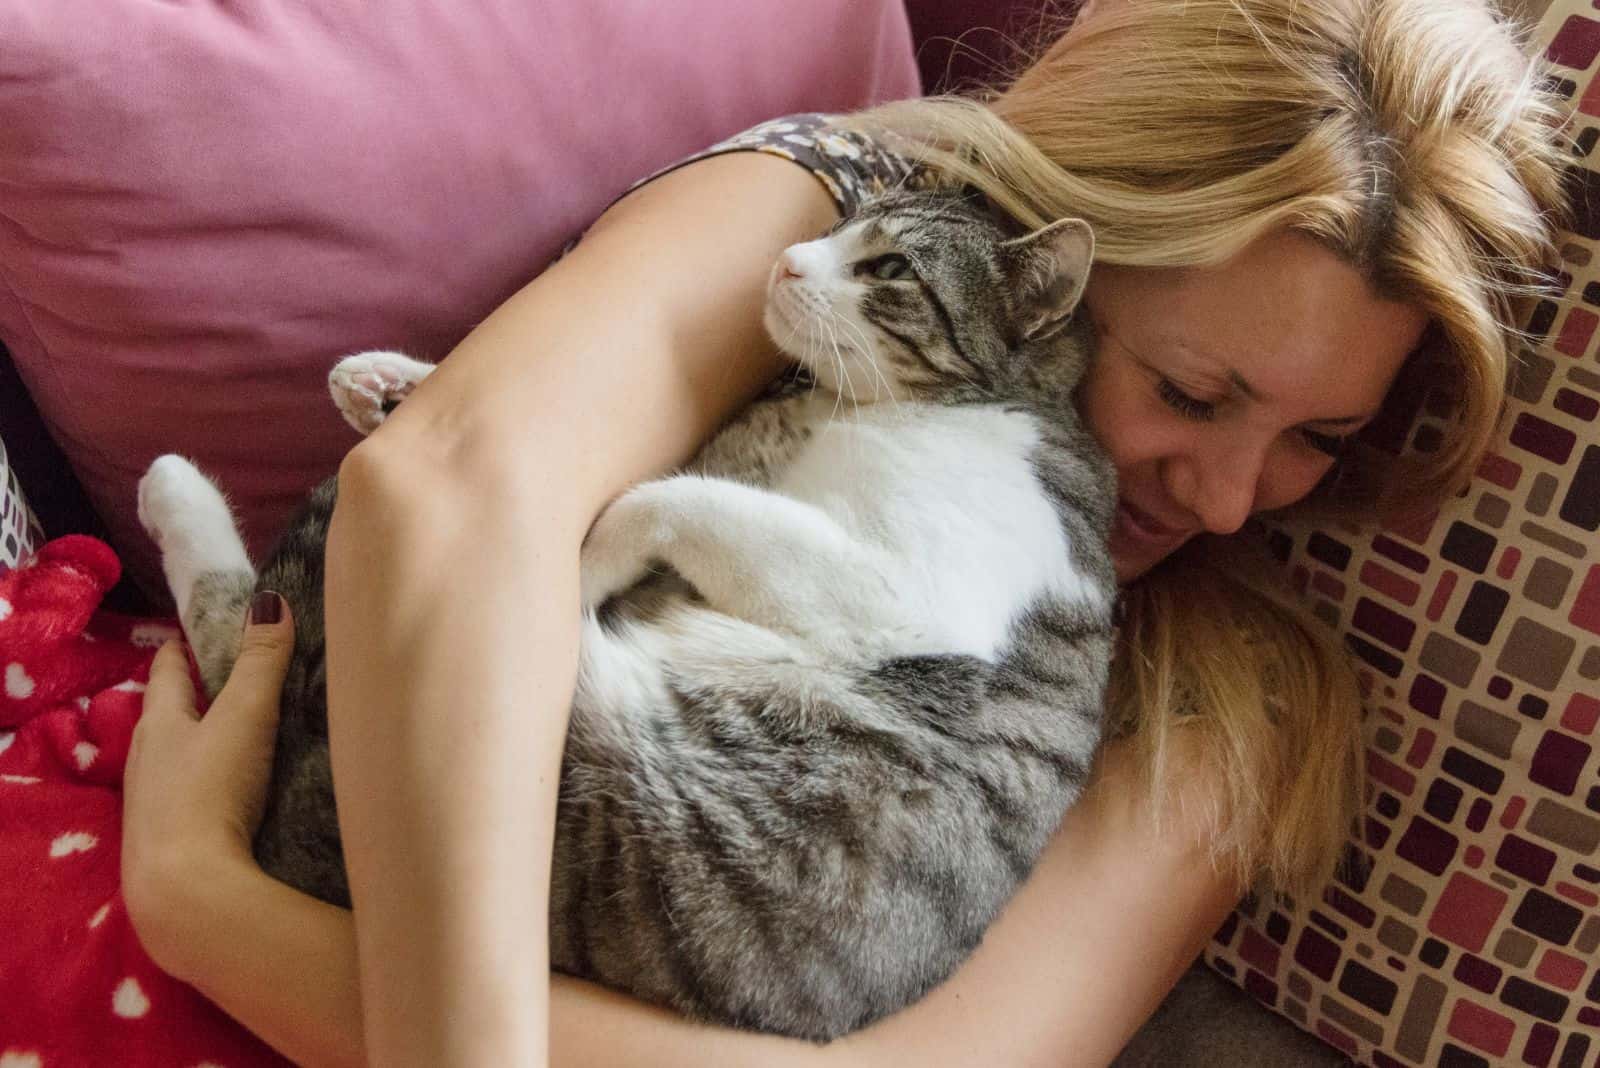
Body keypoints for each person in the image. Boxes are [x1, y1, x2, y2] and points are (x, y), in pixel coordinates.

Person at [119, 0, 1567, 1064]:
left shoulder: (1231, 710)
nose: (1231, 498)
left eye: (1319, 437)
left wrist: (203, 907)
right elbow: (447, 491)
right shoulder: (854, 210)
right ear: (1041, 264)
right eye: (1189, 391)